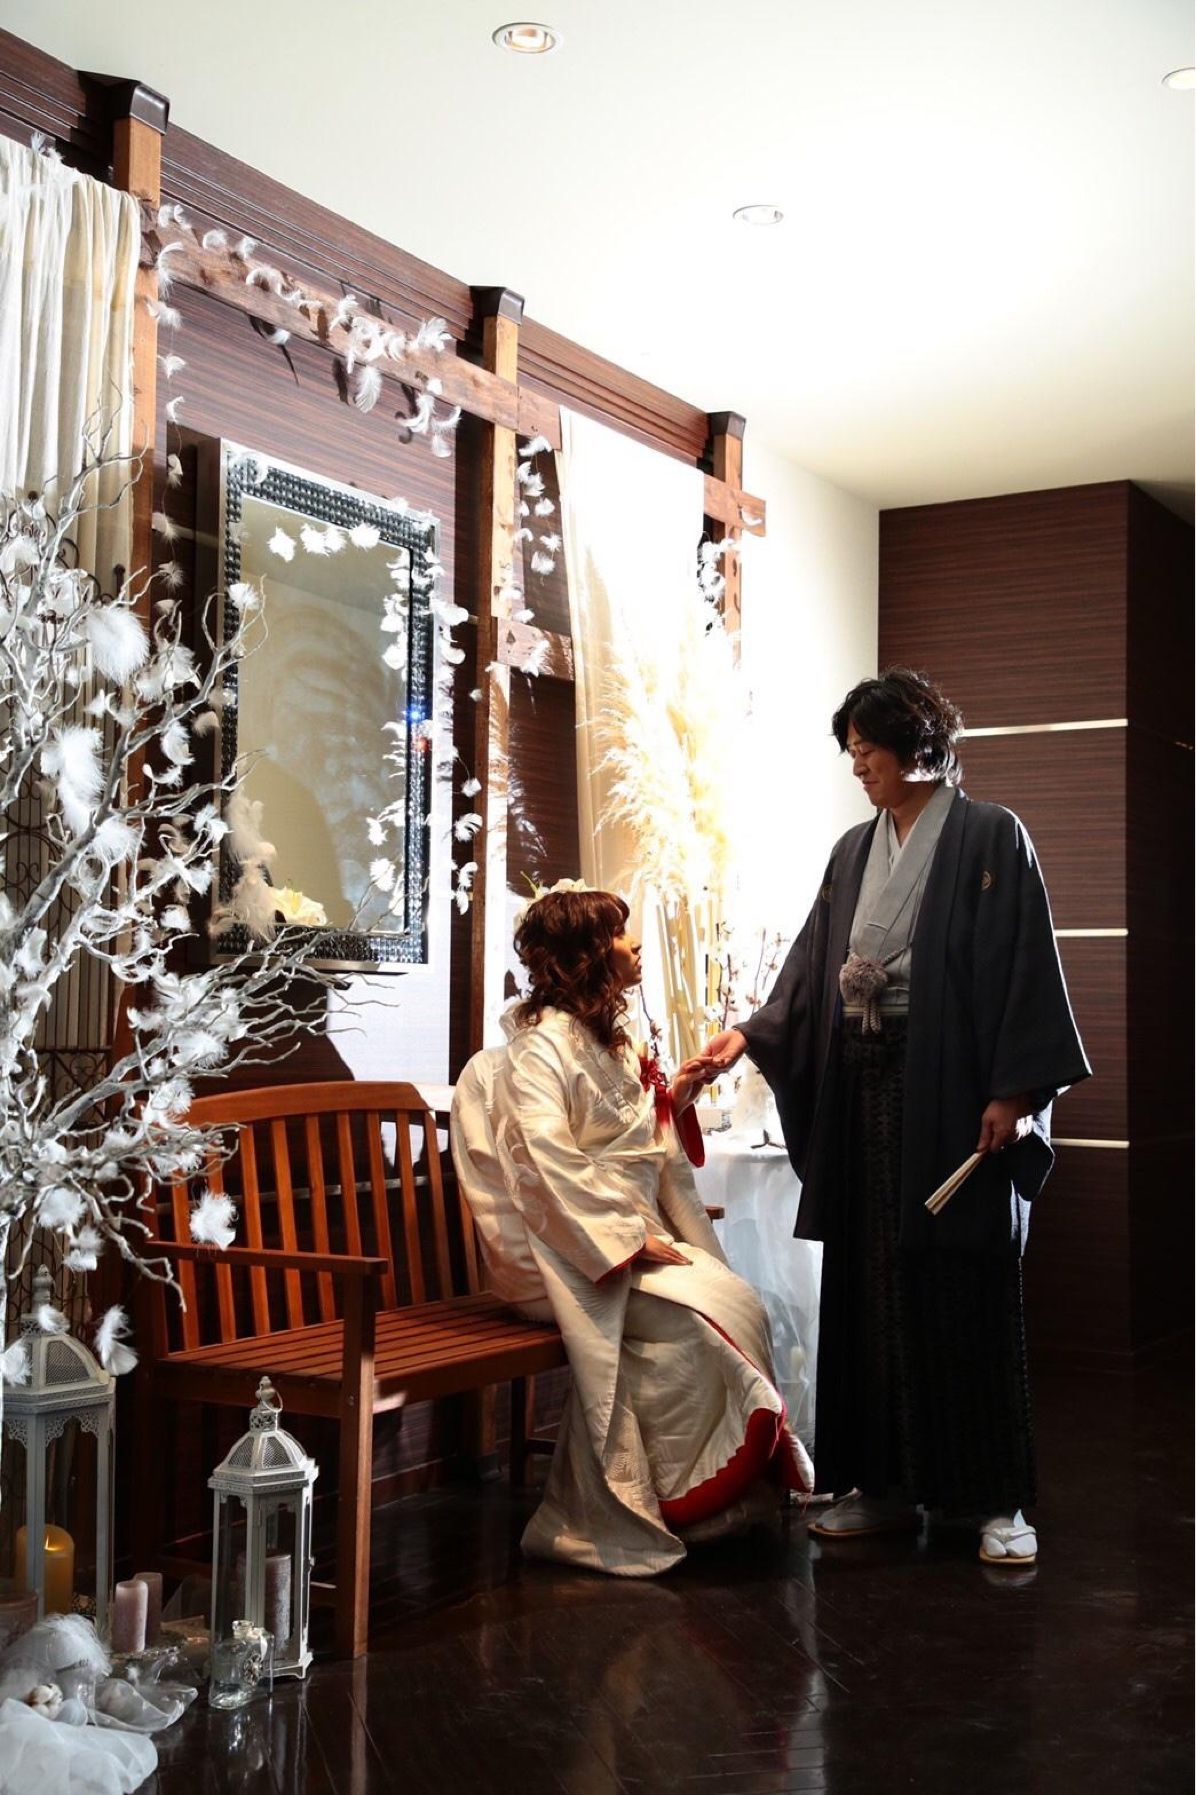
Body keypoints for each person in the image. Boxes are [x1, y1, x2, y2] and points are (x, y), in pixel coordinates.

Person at [702, 669, 1090, 1567]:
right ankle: (880, 1484)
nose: (858, 766)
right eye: (852, 751)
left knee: (964, 1283)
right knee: (872, 1286)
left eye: (868, 748)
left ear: (919, 746)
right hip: (864, 1092)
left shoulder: (992, 835)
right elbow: (811, 967)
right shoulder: (852, 851)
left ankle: (993, 1497)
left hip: (954, 1093)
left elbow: (1025, 964)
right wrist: (750, 1033)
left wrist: (1014, 1092)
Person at [451, 885, 812, 1576]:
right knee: (700, 1324)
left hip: (619, 1231)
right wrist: (621, 1236)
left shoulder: (611, 1041)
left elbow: (646, 1144)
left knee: (738, 1300)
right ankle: (664, 1502)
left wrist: (673, 1100)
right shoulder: (540, 1050)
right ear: (587, 954)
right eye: (619, 935)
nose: (635, 944)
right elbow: (543, 1158)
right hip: (568, 1246)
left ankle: (721, 1496)